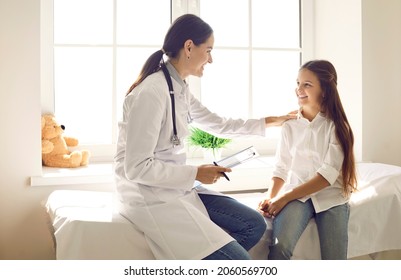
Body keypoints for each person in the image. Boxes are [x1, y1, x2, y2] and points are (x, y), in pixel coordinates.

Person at [114, 14, 295, 260]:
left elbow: (219, 124)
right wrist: (196, 173)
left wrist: (272, 121)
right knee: (241, 262)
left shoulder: (178, 87)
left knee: (255, 224)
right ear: (189, 47)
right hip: (149, 195)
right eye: (208, 50)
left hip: (176, 186)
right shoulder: (151, 92)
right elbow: (136, 169)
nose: (211, 59)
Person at [258, 60, 357, 260]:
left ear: (325, 90)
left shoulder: (337, 127)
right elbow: (281, 168)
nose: (299, 89)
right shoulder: (289, 126)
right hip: (298, 196)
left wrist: (284, 197)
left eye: (307, 84)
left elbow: (326, 176)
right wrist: (271, 197)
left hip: (331, 198)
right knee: (280, 247)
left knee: (335, 258)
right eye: (298, 83)